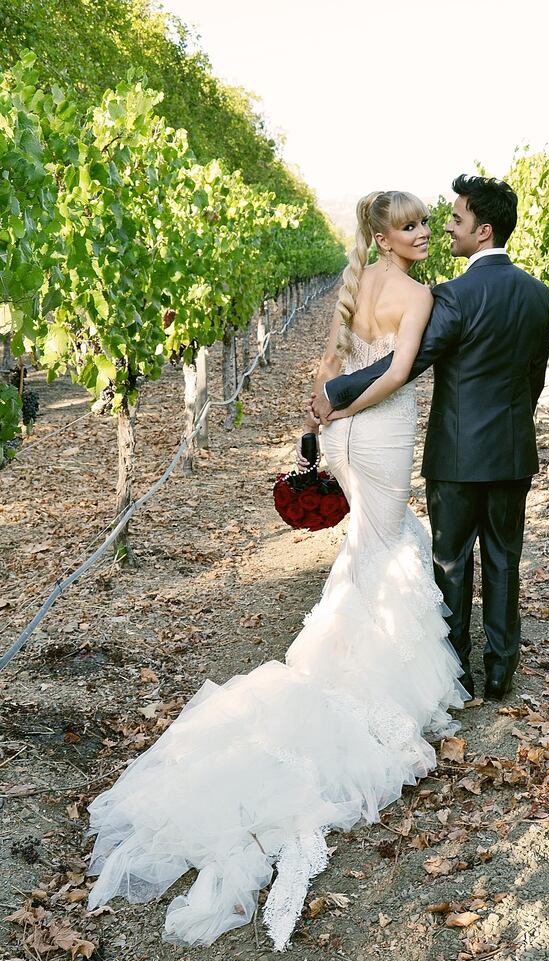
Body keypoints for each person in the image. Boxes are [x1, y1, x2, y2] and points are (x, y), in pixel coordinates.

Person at [85, 190, 468, 953]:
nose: (424, 234)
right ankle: (376, 682)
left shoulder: (357, 285)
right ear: (386, 236)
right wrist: (346, 398)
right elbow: (392, 373)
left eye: (428, 223)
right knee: (389, 545)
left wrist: (327, 405)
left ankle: (344, 653)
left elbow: (330, 365)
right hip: (382, 431)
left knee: (370, 544)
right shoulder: (417, 292)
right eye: (412, 226)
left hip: (347, 439)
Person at [313, 175, 549, 701]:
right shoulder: (538, 294)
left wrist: (336, 390)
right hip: (513, 451)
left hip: (457, 453)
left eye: (457, 218)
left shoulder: (453, 296)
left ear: (482, 230)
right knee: (504, 557)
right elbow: (534, 377)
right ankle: (499, 671)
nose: (446, 226)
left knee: (451, 558)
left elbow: (408, 364)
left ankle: (457, 670)